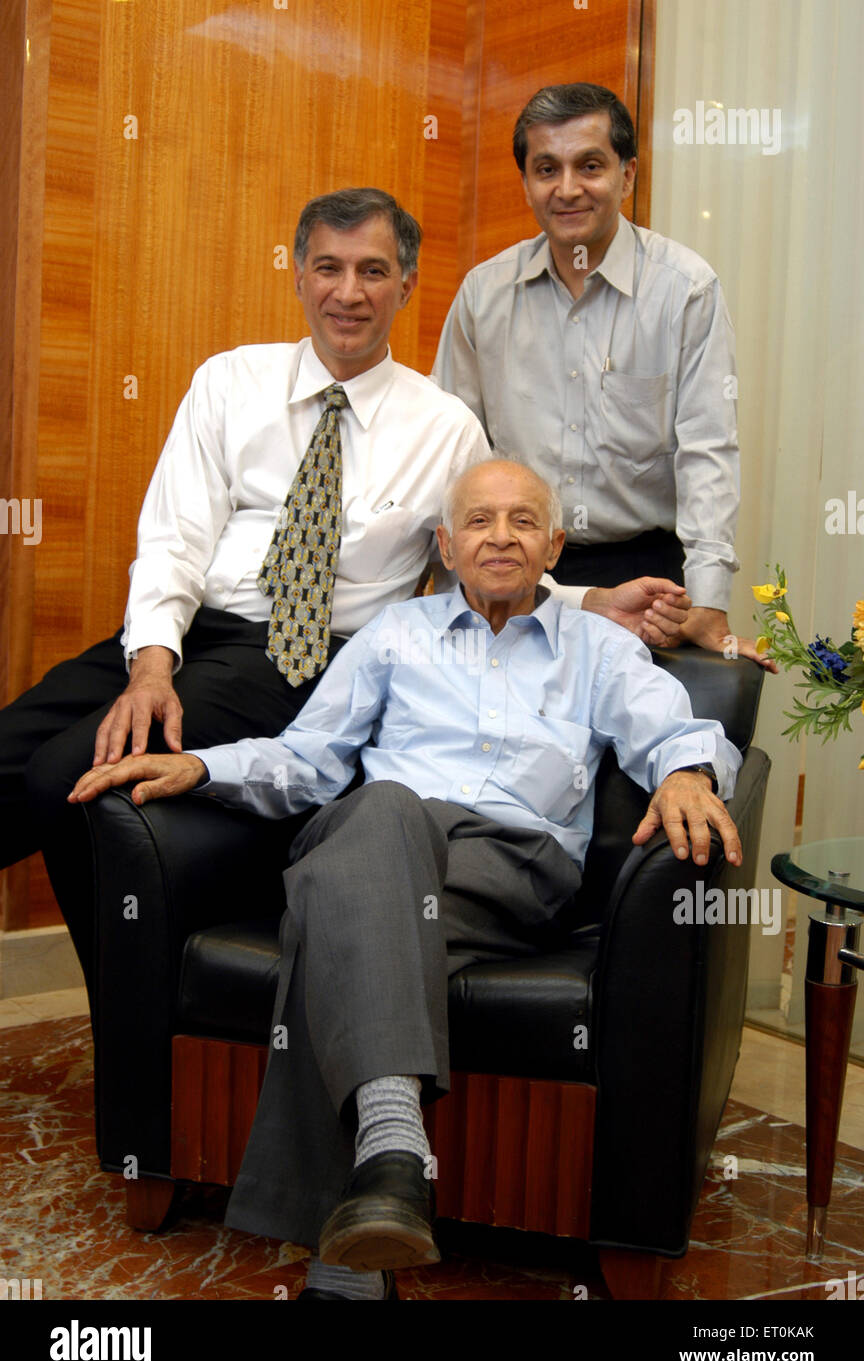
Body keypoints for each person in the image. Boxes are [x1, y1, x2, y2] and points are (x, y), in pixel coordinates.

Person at [70, 457, 743, 1302]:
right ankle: (382, 1185)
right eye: (479, 521)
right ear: (446, 545)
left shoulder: (600, 646)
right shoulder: (395, 635)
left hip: (511, 863)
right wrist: (200, 767)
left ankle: (362, 1208)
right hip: (381, 844)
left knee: (341, 880)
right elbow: (308, 761)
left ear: (555, 546)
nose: (501, 536)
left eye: (523, 521)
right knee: (379, 816)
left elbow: (672, 727)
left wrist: (687, 774)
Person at [0, 186, 690, 989]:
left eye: (373, 271)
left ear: (405, 284)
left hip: (306, 659)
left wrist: (589, 602)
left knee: (63, 777)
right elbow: (172, 540)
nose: (349, 292)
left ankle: (131, 1018)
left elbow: (485, 555)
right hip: (189, 634)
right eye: (328, 267)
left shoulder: (444, 427)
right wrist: (151, 664)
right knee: (14, 757)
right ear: (298, 276)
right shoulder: (230, 383)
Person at [433, 83, 774, 671]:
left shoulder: (685, 290)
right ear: (526, 182)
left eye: (589, 165)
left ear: (628, 174)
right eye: (547, 168)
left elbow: (707, 453)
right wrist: (446, 583)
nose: (567, 188)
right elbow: (453, 455)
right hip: (515, 565)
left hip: (643, 573)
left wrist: (710, 600)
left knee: (628, 742)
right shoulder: (483, 295)